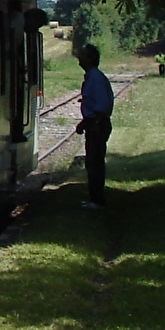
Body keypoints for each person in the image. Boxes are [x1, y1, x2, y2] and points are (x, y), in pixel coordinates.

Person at [75, 44, 114, 208]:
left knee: (95, 162)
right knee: (92, 162)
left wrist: (90, 122)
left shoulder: (95, 79)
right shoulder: (93, 77)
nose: (79, 58)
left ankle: (97, 199)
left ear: (90, 59)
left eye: (83, 55)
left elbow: (102, 106)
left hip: (97, 125)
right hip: (94, 123)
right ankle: (94, 197)